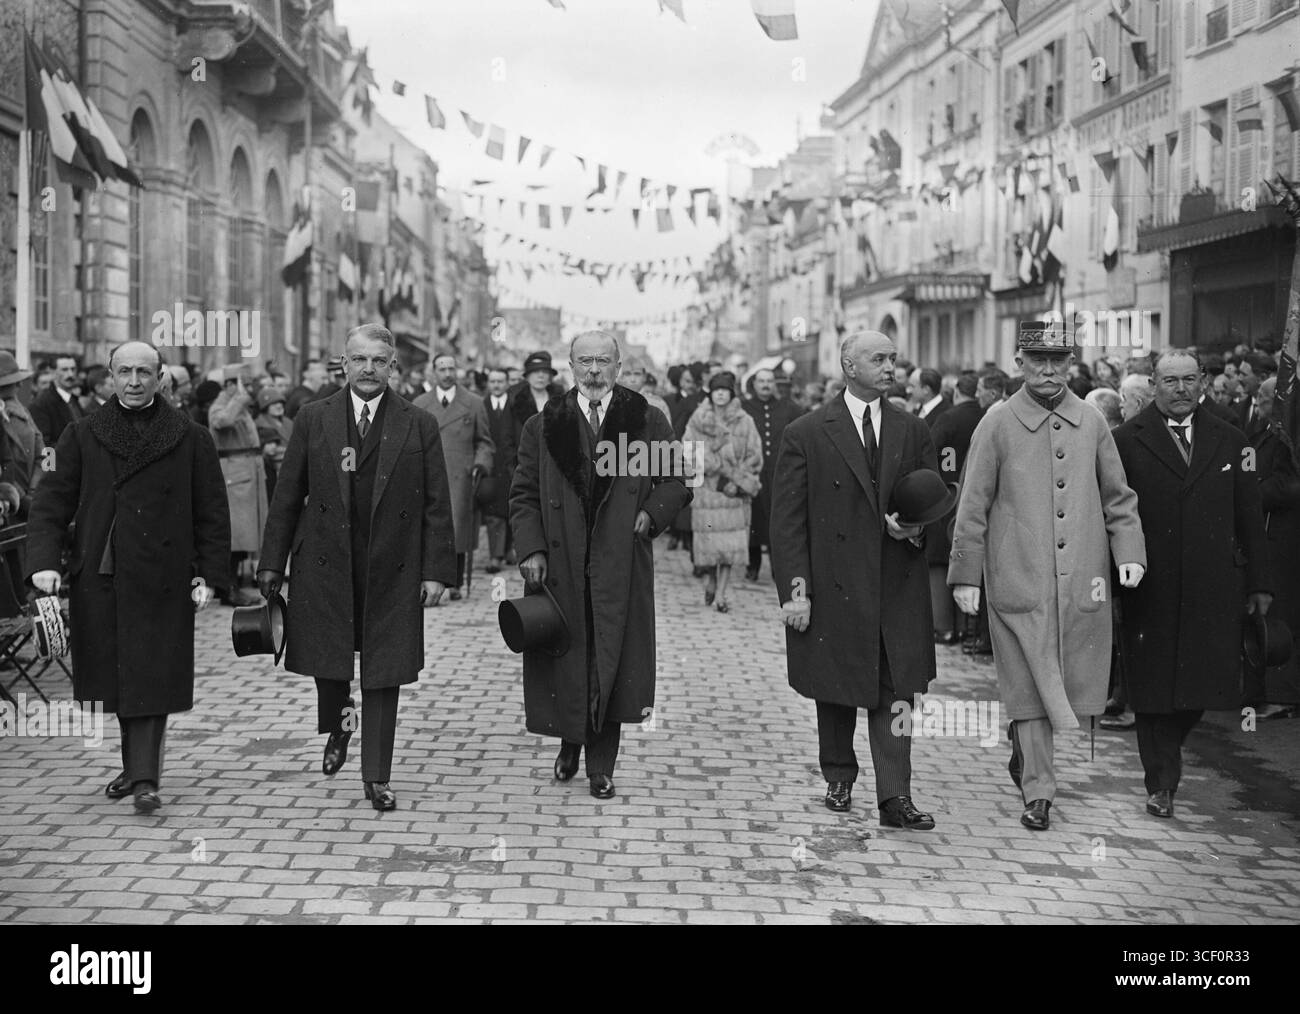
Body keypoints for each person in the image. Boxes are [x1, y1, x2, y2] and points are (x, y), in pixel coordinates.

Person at [949, 321, 1146, 832]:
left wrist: (1130, 551)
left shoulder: (1092, 421)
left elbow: (1118, 497)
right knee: (1030, 686)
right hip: (1017, 579)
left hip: (1081, 580)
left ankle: (1025, 754)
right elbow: (973, 505)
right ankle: (1039, 792)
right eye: (1039, 360)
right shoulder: (996, 422)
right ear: (1020, 361)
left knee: (1069, 685)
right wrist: (966, 574)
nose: (1049, 370)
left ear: (1071, 362)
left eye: (1059, 360)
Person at [257, 324, 457, 812]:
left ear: (394, 367)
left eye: (379, 361)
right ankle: (341, 722)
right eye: (359, 360)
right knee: (330, 659)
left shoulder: (418, 423)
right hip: (326, 559)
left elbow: (436, 503)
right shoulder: (313, 418)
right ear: (343, 364)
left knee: (384, 670)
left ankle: (377, 776)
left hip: (393, 563)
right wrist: (271, 564)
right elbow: (287, 495)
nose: (369, 369)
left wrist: (436, 571)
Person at [26, 341, 230, 813]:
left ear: (161, 377)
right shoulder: (80, 434)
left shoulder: (191, 435)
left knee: (152, 671)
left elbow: (212, 511)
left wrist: (210, 575)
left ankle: (145, 778)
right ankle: (134, 763)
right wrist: (43, 563)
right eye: (125, 372)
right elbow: (51, 499)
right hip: (102, 570)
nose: (134, 381)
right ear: (111, 377)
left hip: (164, 573)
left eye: (144, 372)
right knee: (117, 675)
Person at [770, 330, 941, 827]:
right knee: (836, 687)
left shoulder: (912, 431)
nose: (891, 367)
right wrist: (796, 594)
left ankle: (896, 797)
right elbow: (787, 522)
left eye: (893, 359)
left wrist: (913, 530)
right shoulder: (806, 432)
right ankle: (839, 776)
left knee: (897, 692)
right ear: (849, 366)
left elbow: (933, 502)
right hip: (833, 586)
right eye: (879, 359)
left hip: (895, 586)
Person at [510, 330, 691, 799]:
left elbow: (676, 479)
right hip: (562, 561)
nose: (594, 371)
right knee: (571, 653)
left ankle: (601, 764)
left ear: (619, 367)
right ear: (571, 366)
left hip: (620, 560)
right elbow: (524, 493)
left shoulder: (645, 419)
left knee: (611, 655)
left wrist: (651, 514)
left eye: (603, 362)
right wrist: (531, 549)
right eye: (585, 361)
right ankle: (571, 739)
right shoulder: (545, 423)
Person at [1112, 350, 1271, 818]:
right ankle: (1161, 783)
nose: (1180, 390)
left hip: (1213, 587)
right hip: (1148, 584)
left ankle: (1168, 753)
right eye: (1169, 381)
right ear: (1153, 385)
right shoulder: (1125, 440)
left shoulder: (1233, 440)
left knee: (1202, 688)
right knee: (1150, 686)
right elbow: (1112, 514)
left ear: (1202, 382)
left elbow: (1249, 515)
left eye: (1188, 380)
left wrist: (1259, 584)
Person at [414, 354, 494, 600]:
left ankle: (456, 581)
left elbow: (485, 442)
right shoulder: (420, 403)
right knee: (430, 526)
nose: (447, 373)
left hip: (461, 474)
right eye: (442, 369)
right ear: (433, 372)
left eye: (451, 368)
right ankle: (429, 580)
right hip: (430, 474)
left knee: (458, 527)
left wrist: (481, 464)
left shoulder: (473, 403)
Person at [684, 372, 761, 613]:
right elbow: (689, 450)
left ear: (731, 393)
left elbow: (754, 454)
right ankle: (711, 579)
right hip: (707, 491)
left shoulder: (744, 421)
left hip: (732, 493)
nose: (720, 393)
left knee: (730, 547)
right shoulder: (698, 419)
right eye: (716, 389)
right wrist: (713, 465)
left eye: (725, 390)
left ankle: (721, 594)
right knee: (708, 545)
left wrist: (739, 481)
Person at [1246, 377, 1300, 716]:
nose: (1259, 401)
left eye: (1264, 397)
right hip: (1266, 537)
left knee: (1282, 615)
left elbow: (1290, 484)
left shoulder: (1287, 437)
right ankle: (1263, 689)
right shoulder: (1266, 431)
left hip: (1283, 538)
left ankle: (1283, 694)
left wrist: (1252, 492)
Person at [928, 372, 984, 644]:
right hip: (976, 491)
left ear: (958, 392)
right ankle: (964, 627)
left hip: (948, 492)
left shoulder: (950, 418)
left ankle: (944, 625)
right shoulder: (986, 415)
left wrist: (946, 475)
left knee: (940, 557)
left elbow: (937, 451)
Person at [208, 364, 269, 607]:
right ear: (231, 384)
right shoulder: (222, 404)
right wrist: (239, 400)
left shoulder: (237, 403)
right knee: (235, 537)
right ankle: (229, 588)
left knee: (245, 537)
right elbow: (221, 421)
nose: (251, 387)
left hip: (247, 474)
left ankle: (234, 586)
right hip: (236, 476)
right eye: (245, 382)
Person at [742, 368, 802, 582]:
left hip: (780, 475)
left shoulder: (789, 408)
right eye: (761, 381)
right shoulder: (743, 408)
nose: (766, 385)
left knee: (779, 523)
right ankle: (753, 565)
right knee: (754, 522)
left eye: (769, 381)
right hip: (754, 474)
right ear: (754, 384)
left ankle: (779, 569)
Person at [0, 352, 45, 520]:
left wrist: (36, 489)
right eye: (13, 381)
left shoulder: (23, 411)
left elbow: (47, 453)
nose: (19, 385)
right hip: (10, 503)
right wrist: (23, 497)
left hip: (30, 499)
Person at [481, 367, 517, 573]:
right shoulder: (480, 405)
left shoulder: (515, 405)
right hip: (491, 467)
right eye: (492, 381)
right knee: (493, 512)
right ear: (488, 383)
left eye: (500, 381)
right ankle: (495, 556)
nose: (496, 385)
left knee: (512, 507)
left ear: (506, 383)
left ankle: (509, 548)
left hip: (511, 465)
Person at [29, 354, 83, 448]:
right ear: (53, 372)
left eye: (73, 369)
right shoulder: (41, 404)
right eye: (64, 370)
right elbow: (43, 444)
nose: (70, 374)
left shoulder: (74, 400)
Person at [254, 385, 293, 502]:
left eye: (280, 402)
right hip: (273, 473)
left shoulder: (288, 422)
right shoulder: (260, 424)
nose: (279, 406)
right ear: (265, 406)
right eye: (274, 403)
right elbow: (270, 452)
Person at [620, 355, 672, 425]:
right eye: (628, 374)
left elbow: (666, 434)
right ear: (622, 377)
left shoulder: (658, 404)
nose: (632, 379)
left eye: (637, 374)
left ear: (644, 377)